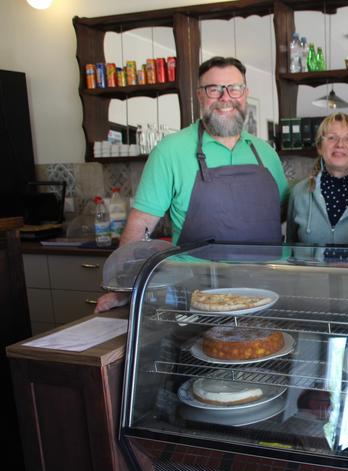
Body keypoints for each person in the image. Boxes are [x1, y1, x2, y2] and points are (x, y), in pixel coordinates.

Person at [96, 56, 288, 312]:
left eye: (234, 88)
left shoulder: (266, 153)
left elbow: (284, 214)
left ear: (245, 94)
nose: (225, 97)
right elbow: (141, 222)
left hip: (268, 290)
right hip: (197, 294)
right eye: (214, 89)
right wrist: (125, 288)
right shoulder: (170, 151)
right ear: (200, 96)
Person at [286, 113, 348, 245]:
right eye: (332, 138)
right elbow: (290, 248)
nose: (340, 144)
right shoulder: (299, 192)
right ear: (319, 147)